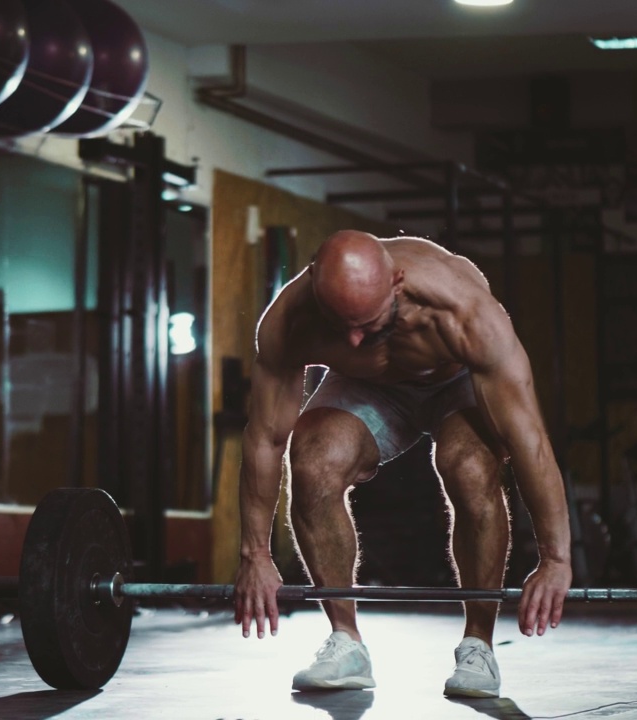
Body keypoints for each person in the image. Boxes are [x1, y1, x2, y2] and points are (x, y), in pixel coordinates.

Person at [232, 230, 572, 697]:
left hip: (453, 382)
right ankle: (345, 641)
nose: (353, 338)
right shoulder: (289, 322)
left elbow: (528, 441)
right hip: (366, 389)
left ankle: (478, 646)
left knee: (470, 469)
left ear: (396, 283)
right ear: (313, 282)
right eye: (341, 324)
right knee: (312, 460)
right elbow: (267, 438)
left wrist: (556, 558)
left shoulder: (465, 313)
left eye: (368, 323)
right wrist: (256, 554)